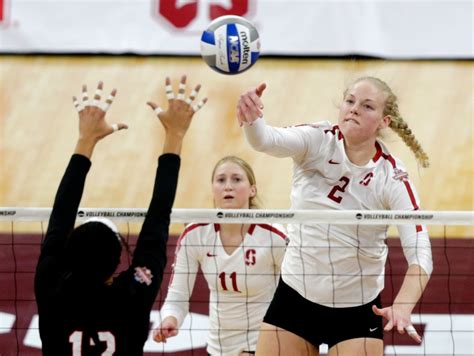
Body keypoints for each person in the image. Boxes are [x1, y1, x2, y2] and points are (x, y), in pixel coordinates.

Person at [236, 76, 433, 356]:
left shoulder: (392, 177)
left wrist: (403, 305)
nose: (353, 109)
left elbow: (421, 253)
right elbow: (266, 140)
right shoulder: (317, 139)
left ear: (384, 121)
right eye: (350, 101)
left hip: (358, 309)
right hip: (295, 297)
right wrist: (253, 119)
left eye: (367, 106)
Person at [34, 75, 207, 355]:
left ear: (68, 254)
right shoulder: (132, 293)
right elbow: (157, 224)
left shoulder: (50, 285)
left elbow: (59, 217)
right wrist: (175, 135)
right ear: (116, 263)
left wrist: (85, 140)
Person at [153, 156, 288, 355]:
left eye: (236, 179)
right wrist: (170, 318)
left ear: (252, 190)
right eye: (221, 180)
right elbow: (177, 296)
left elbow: (296, 293)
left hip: (264, 345)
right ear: (213, 188)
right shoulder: (196, 234)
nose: (228, 187)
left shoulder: (272, 235)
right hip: (219, 348)